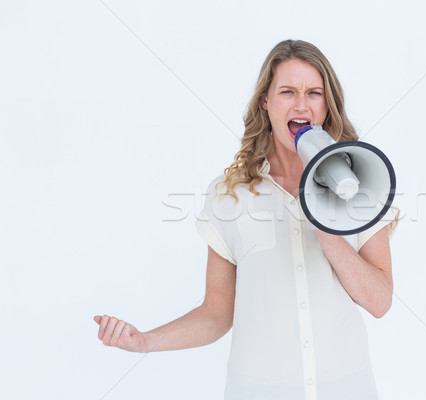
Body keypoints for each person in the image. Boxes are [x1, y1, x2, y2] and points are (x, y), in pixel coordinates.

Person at [94, 39, 399, 400]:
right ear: (265, 102)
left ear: (327, 105)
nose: (301, 104)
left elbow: (380, 302)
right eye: (287, 91)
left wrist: (329, 228)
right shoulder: (230, 195)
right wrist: (145, 341)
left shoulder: (359, 184)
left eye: (314, 93)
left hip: (347, 389)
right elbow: (216, 314)